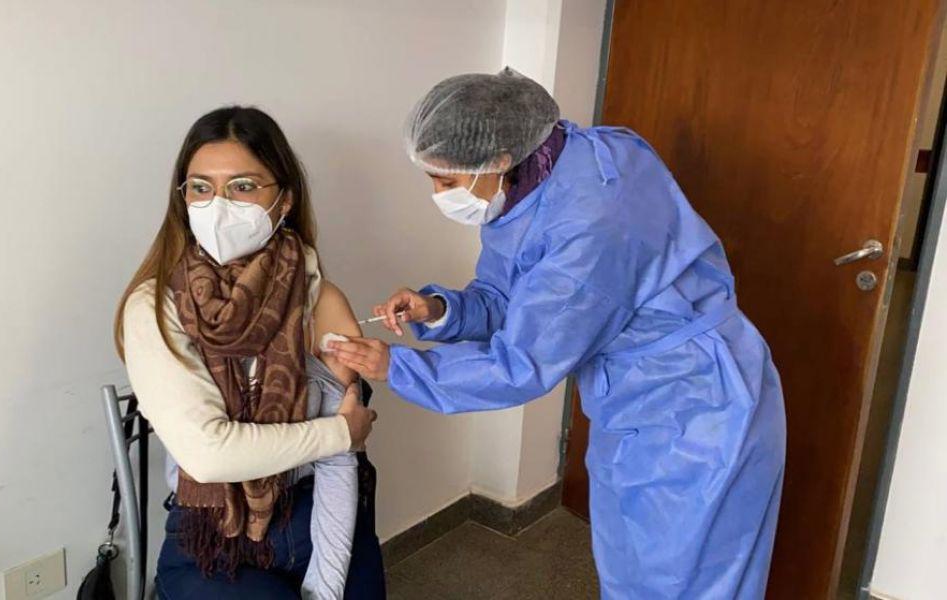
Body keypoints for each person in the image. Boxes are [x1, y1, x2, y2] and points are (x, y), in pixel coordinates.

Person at [331, 68, 786, 599]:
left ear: (499, 158)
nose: (437, 194)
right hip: (638, 400)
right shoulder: (548, 170)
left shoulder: (590, 224)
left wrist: (397, 366)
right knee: (633, 569)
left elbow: (521, 363)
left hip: (694, 407)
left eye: (445, 181)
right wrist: (438, 310)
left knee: (684, 581)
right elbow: (508, 297)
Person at [114, 106, 385, 599]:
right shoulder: (154, 307)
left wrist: (326, 589)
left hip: (319, 516)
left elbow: (340, 464)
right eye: (200, 187)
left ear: (284, 200)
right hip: (210, 533)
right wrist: (340, 433)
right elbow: (208, 455)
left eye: (242, 186)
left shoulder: (318, 298)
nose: (218, 206)